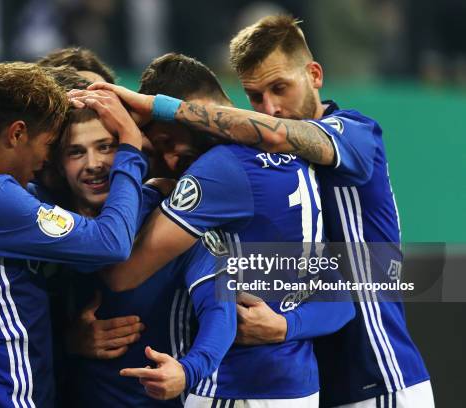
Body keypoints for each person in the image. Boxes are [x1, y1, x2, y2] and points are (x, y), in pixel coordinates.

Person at [82, 14, 433, 408]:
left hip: (374, 370)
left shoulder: (354, 133)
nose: (271, 108)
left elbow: (276, 135)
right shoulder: (265, 166)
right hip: (313, 374)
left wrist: (159, 108)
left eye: (280, 88)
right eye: (255, 96)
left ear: (314, 75)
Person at [71, 53, 355, 407]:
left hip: (236, 385)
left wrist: (136, 155)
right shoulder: (290, 157)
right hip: (295, 383)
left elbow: (121, 274)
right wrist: (288, 326)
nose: (170, 160)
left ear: (189, 111)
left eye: (168, 141)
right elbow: (343, 293)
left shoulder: (215, 173)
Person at [0, 61, 147, 407]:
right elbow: (112, 243)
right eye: (51, 144)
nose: (46, 161)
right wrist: (130, 147)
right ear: (16, 133)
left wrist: (39, 102)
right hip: (4, 395)